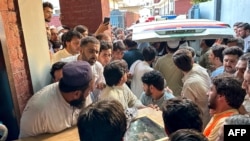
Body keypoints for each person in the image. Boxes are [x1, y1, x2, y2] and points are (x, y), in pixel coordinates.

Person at [19, 61, 94, 138]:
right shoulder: (38, 110)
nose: (91, 91)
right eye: (89, 90)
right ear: (76, 94)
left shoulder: (81, 92)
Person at [173, 48, 210, 128]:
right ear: (192, 60)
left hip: (202, 121)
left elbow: (188, 109)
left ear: (177, 67)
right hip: (208, 114)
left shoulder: (189, 84)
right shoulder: (199, 69)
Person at [203, 75, 246, 141]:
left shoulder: (225, 123)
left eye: (211, 90)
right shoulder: (219, 115)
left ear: (221, 96)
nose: (207, 93)